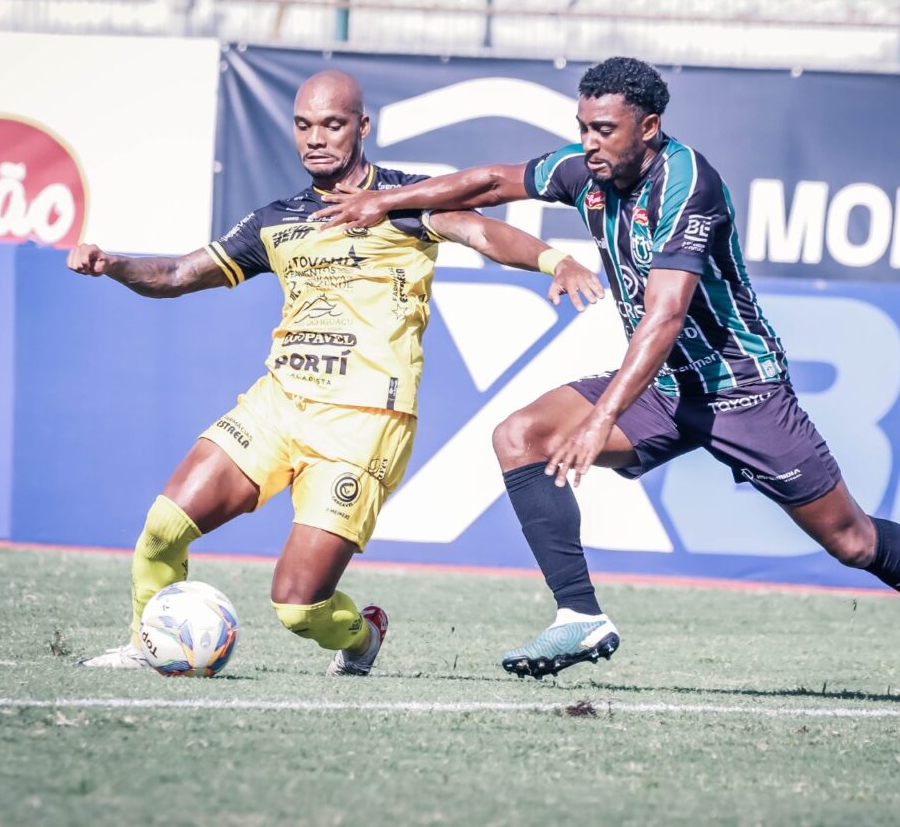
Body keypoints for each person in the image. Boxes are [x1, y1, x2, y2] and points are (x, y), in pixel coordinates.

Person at [310, 57, 900, 704]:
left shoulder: (689, 184)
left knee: (854, 541)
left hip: (742, 389)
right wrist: (387, 202)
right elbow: (493, 180)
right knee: (519, 435)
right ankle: (579, 614)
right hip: (664, 389)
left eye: (605, 129)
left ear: (649, 128)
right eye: (582, 127)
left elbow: (666, 315)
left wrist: (598, 419)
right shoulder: (583, 171)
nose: (589, 142)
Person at [71, 69, 604, 676]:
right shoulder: (275, 220)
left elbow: (481, 229)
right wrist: (113, 264)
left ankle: (362, 636)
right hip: (278, 406)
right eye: (304, 125)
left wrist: (553, 259)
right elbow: (176, 276)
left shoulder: (402, 202)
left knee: (298, 609)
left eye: (332, 124)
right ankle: (148, 645)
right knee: (162, 531)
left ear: (362, 126)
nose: (316, 138)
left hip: (364, 425)